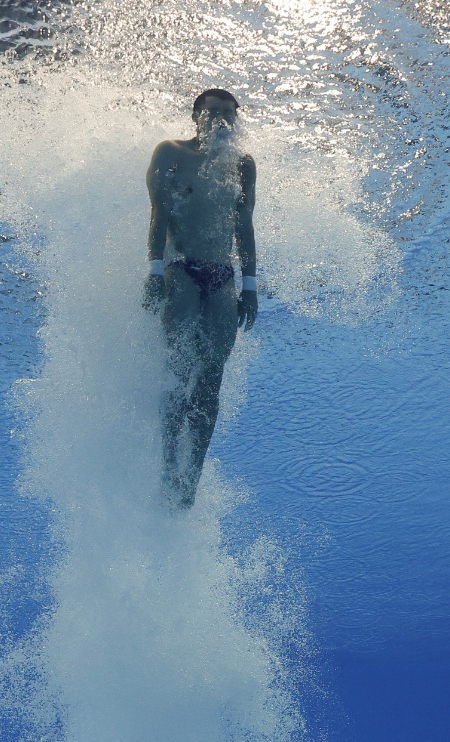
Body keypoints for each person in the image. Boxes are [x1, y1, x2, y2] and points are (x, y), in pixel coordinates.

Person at [143, 88, 257, 509]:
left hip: (223, 278)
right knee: (179, 368)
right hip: (182, 270)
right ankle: (168, 463)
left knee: (211, 382)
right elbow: (158, 216)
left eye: (229, 113)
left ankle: (190, 479)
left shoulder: (243, 165)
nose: (222, 120)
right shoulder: (170, 152)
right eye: (213, 112)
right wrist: (154, 272)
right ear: (196, 116)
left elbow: (244, 227)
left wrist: (250, 287)